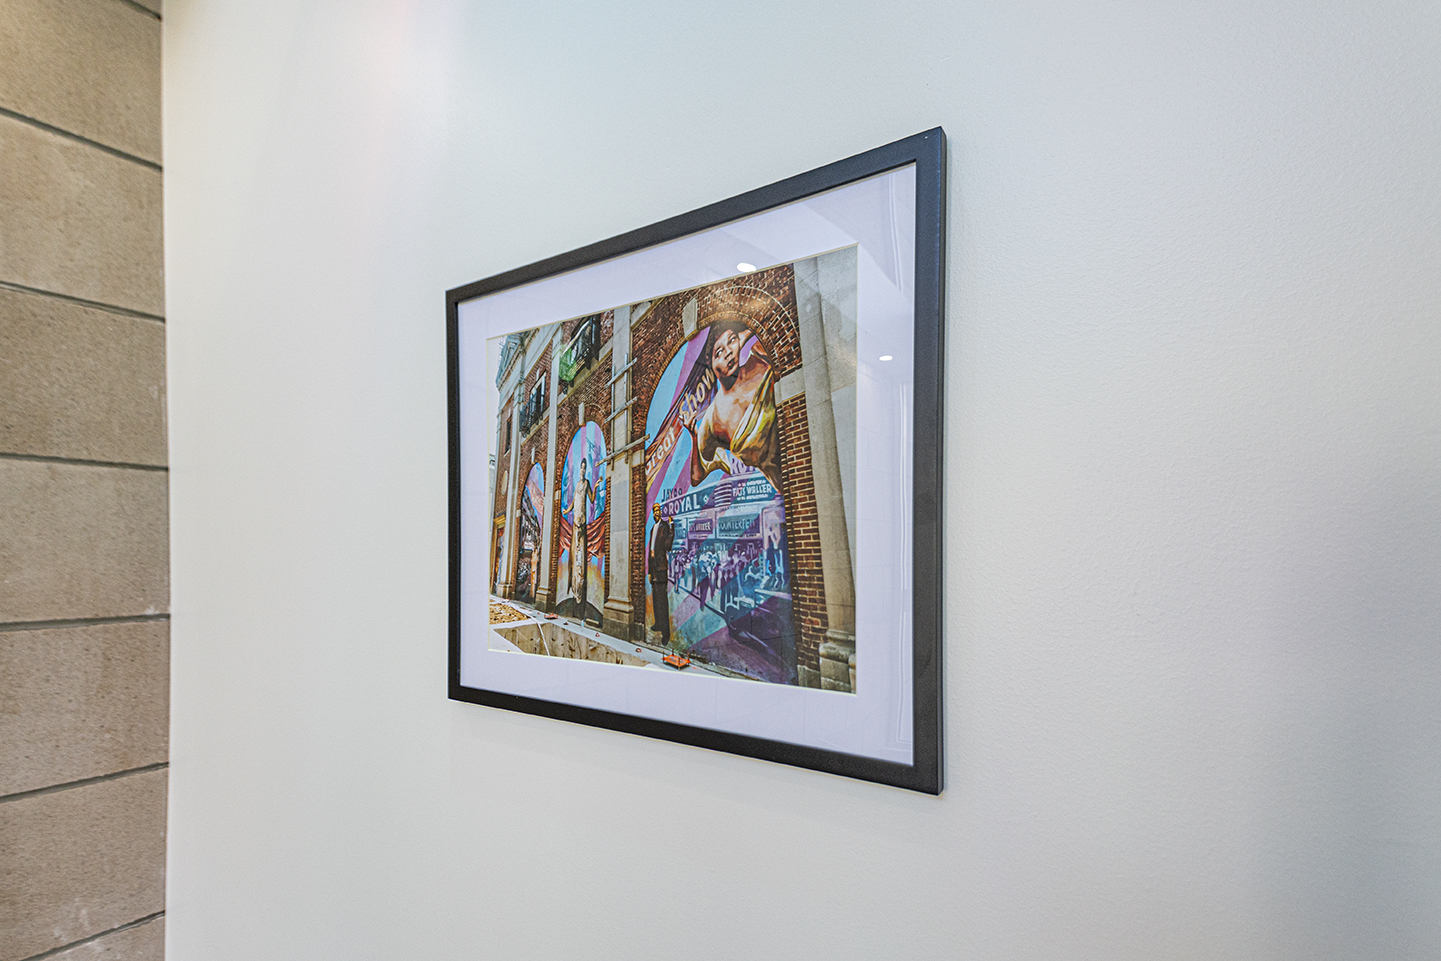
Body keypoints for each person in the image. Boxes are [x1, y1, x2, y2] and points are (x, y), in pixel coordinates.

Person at [678, 320, 781, 492]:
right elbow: (696, 477)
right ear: (710, 364)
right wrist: (694, 436)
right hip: (787, 484)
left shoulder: (760, 357)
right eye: (719, 352)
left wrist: (742, 337)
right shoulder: (713, 419)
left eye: (732, 341)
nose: (728, 353)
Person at [570, 454, 597, 620]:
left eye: (584, 469)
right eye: (581, 468)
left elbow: (592, 499)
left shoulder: (586, 483)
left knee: (581, 557)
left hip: (582, 523)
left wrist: (597, 485)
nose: (582, 471)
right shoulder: (577, 485)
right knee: (575, 557)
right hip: (575, 522)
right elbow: (574, 501)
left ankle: (580, 594)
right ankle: (575, 591)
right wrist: (567, 510)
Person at [648, 504, 674, 646]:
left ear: (661, 512)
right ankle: (658, 623)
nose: (656, 513)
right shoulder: (653, 528)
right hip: (654, 568)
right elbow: (650, 551)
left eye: (657, 511)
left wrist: (672, 527)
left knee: (662, 602)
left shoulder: (664, 526)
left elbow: (667, 546)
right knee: (656, 599)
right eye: (654, 511)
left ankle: (666, 633)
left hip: (661, 568)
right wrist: (649, 572)